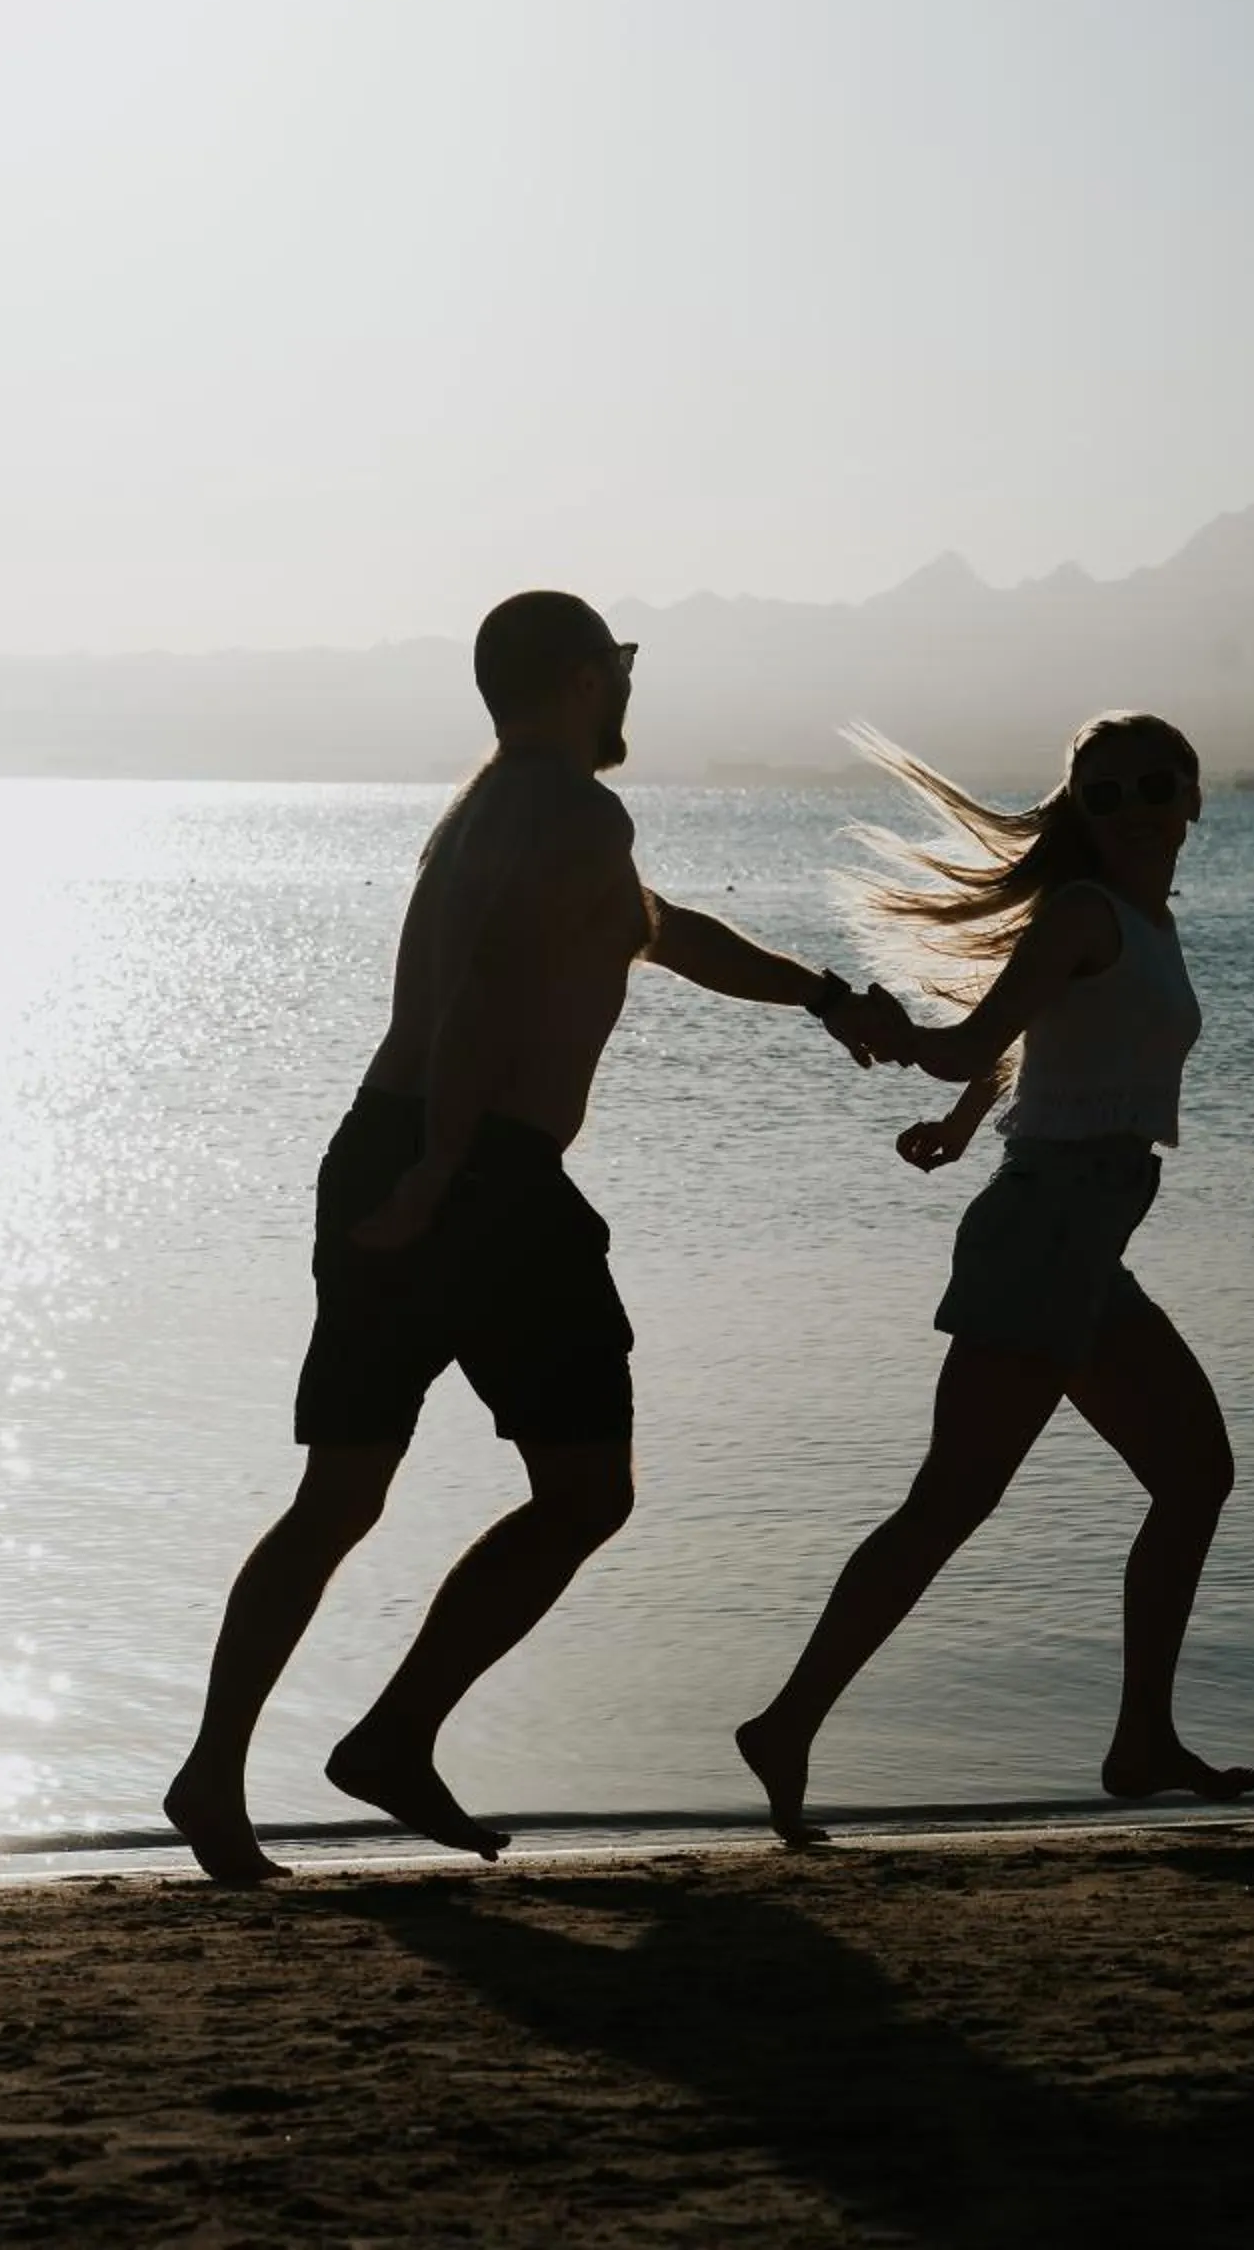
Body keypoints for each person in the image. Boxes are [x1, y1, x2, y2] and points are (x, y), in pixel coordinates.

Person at [165, 590, 901, 1882]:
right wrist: (441, 1173)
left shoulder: (497, 807)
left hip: (389, 1150)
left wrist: (822, 996)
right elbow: (488, 991)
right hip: (478, 1173)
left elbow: (659, 932)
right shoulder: (571, 811)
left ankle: (219, 1776)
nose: (630, 686)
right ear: (580, 679)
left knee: (340, 1494)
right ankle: (388, 1738)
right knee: (584, 1492)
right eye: (621, 664)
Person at [737, 712, 1254, 1844]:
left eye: (1153, 785)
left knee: (1192, 1476)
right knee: (951, 1502)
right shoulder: (1084, 912)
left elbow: (1033, 1037)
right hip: (1043, 1239)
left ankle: (1141, 1742)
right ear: (1081, 810)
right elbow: (973, 1040)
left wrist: (967, 1123)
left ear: (1192, 797)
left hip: (1081, 1244)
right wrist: (895, 1038)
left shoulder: (1141, 919)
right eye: (1104, 793)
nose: (1132, 807)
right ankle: (784, 1726)